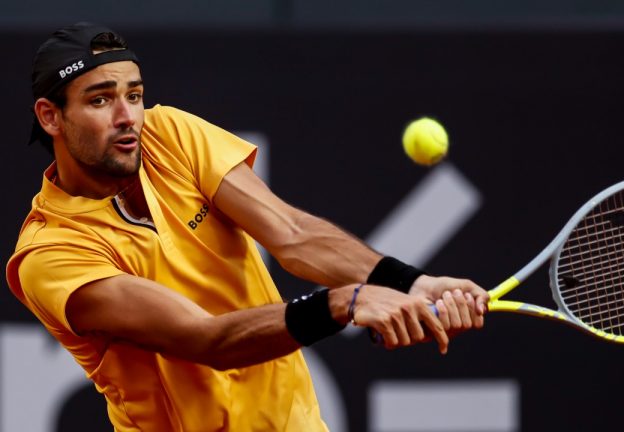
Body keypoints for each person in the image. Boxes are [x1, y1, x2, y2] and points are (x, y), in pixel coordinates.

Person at [5, 22, 489, 431]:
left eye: (134, 94)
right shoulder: (50, 255)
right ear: (51, 117)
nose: (128, 116)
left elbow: (292, 235)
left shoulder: (170, 133)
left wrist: (410, 283)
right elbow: (207, 339)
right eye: (100, 100)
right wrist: (343, 301)